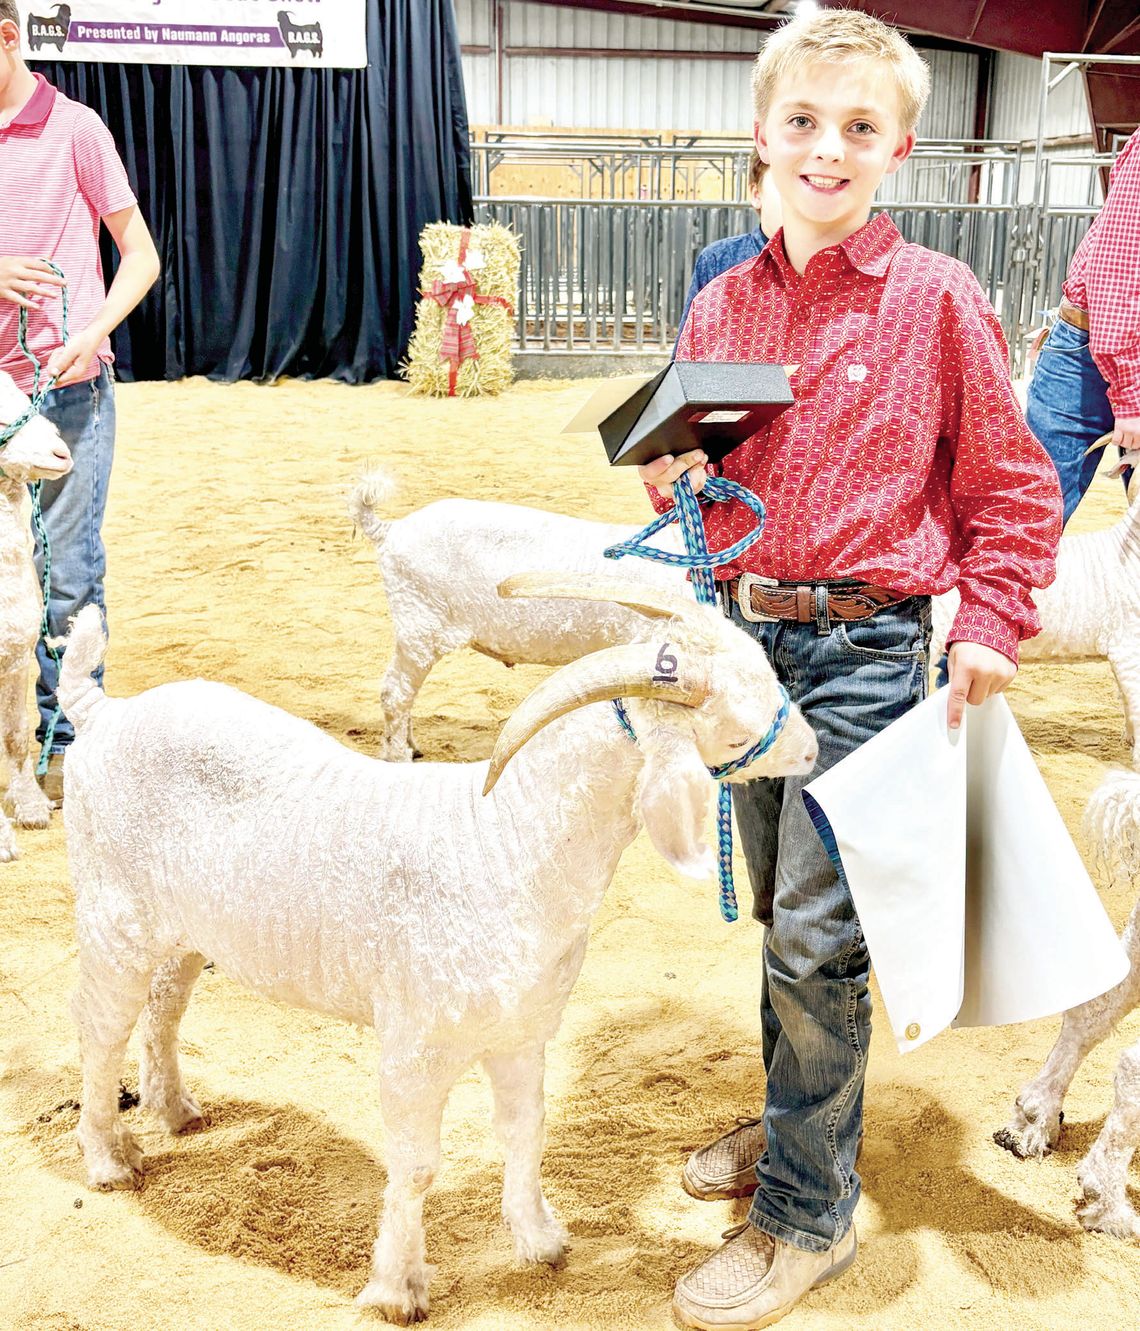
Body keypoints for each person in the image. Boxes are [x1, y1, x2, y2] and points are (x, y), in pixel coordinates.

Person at [639, 11, 1062, 1329]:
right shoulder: (725, 294)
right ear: (761, 133)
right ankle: (795, 1126)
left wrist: (991, 619)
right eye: (805, 122)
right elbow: (704, 481)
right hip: (745, 645)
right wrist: (675, 470)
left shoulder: (935, 299)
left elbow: (1011, 485)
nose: (828, 147)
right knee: (784, 916)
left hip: (869, 653)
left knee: (822, 941)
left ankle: (808, 1213)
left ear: (901, 146)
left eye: (859, 127)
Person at [0, 0, 160, 804]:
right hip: (0, 400)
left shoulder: (78, 130)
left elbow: (140, 255)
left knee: (66, 574)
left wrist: (90, 330)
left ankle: (70, 745)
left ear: (6, 35)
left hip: (68, 394)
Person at [1025, 125, 1139, 524]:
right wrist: (1130, 398)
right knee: (1036, 513)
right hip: (1096, 346)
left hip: (1107, 344)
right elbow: (1118, 272)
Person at [676, 150, 783, 347]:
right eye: (784, 184)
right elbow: (686, 356)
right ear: (756, 194)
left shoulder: (838, 267)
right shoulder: (719, 260)